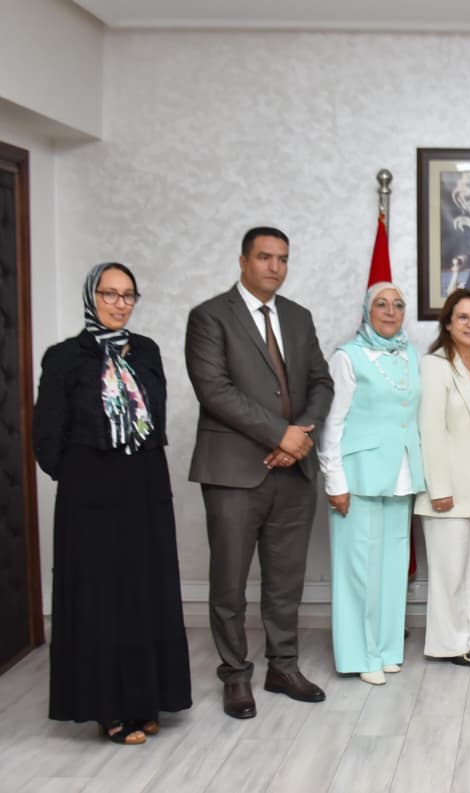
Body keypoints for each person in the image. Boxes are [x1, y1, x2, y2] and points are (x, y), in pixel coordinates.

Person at [34, 262, 191, 744]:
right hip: (91, 500)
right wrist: (83, 477)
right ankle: (109, 709)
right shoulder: (65, 357)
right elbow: (47, 437)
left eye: (128, 295)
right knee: (102, 601)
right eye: (109, 294)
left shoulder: (146, 351)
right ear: (91, 297)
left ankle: (146, 700)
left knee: (145, 594)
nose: (119, 304)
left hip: (145, 492)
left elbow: (155, 417)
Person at [185, 226, 334, 719]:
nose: (275, 267)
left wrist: (300, 435)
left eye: (283, 259)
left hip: (294, 471)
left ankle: (283, 667)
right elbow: (215, 390)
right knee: (229, 582)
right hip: (233, 472)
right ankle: (235, 674)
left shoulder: (298, 317)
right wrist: (279, 435)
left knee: (286, 580)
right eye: (265, 257)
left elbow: (321, 382)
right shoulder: (210, 317)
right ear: (243, 261)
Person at [319, 282, 424, 685]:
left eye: (398, 305)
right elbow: (333, 422)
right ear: (367, 310)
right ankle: (359, 655)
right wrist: (334, 481)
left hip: (400, 475)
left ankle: (386, 650)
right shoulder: (347, 357)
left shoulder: (410, 355)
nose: (391, 311)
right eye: (381, 304)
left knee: (393, 569)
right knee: (358, 570)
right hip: (357, 476)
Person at [415, 289, 470, 666]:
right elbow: (431, 430)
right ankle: (450, 644)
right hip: (450, 489)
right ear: (448, 324)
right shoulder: (435, 365)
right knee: (450, 573)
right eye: (463, 317)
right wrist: (439, 488)